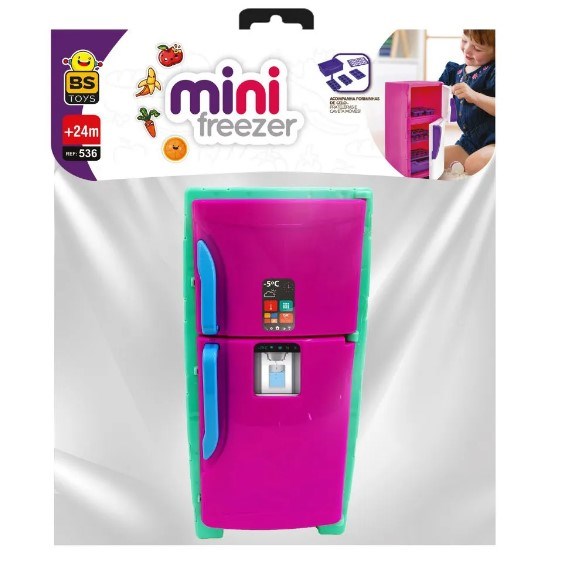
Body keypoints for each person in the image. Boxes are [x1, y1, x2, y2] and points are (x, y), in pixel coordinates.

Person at [439, 30, 495, 174]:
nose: (467, 50)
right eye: (464, 40)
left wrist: (474, 96)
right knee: (435, 160)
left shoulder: (494, 72)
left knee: (473, 164)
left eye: (477, 48)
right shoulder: (455, 71)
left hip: (494, 140)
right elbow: (434, 92)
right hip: (470, 141)